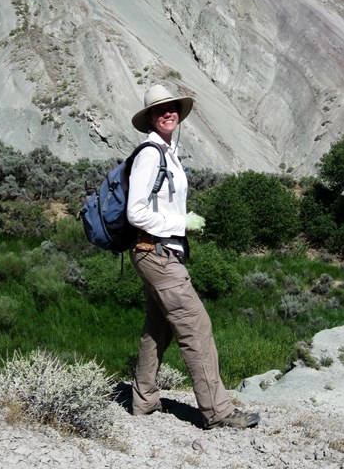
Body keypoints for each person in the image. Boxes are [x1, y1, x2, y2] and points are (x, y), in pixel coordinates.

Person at [126, 84, 260, 430]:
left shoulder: (168, 153)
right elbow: (135, 212)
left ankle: (143, 401)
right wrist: (179, 222)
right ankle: (217, 411)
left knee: (158, 330)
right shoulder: (150, 154)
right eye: (159, 110)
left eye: (171, 108)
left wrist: (179, 225)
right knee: (196, 327)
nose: (167, 113)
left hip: (158, 251)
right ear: (150, 119)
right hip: (155, 252)